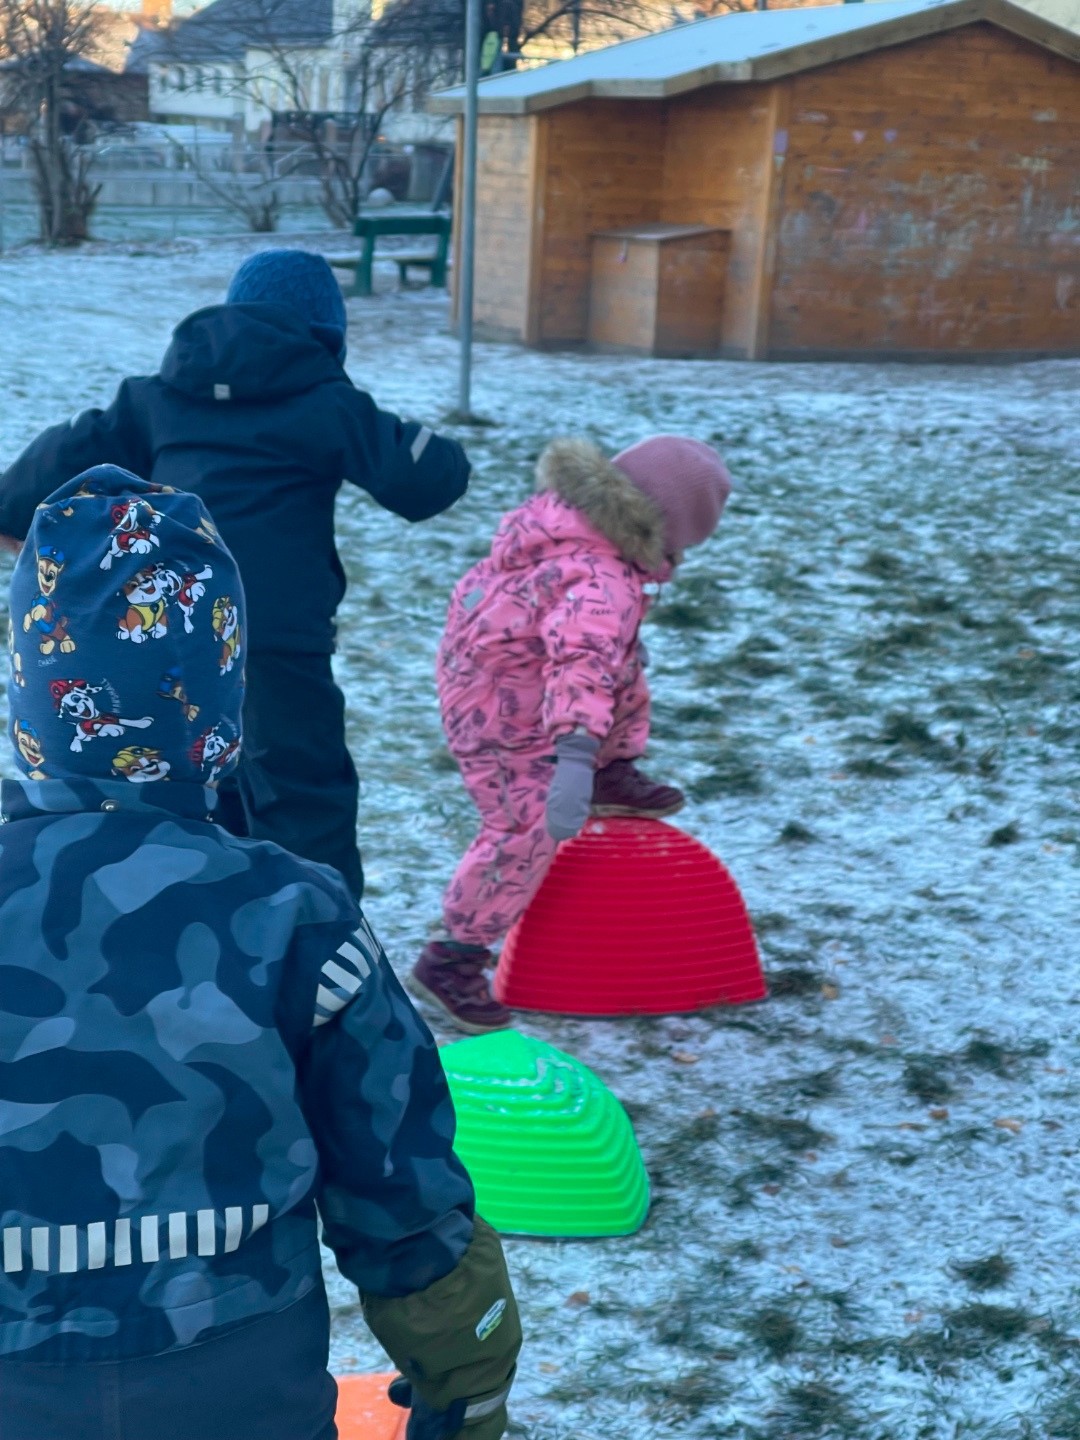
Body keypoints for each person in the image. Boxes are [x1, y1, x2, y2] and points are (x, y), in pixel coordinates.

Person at [0, 467, 520, 1440]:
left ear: (31, 701)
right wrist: (469, 1382)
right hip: (238, 1385)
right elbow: (402, 1196)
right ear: (220, 709)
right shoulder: (295, 914)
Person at [0, 249, 470, 900]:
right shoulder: (327, 404)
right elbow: (431, 481)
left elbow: (27, 487)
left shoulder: (158, 399)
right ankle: (318, 942)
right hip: (278, 640)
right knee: (304, 797)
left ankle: (196, 928)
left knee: (188, 792)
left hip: (173, 637)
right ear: (325, 336)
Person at [410, 434, 733, 1034]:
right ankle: (452, 959)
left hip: (516, 673)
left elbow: (587, 652)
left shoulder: (575, 530)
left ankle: (614, 770)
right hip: (500, 713)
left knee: (621, 663)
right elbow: (579, 664)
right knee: (524, 825)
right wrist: (576, 756)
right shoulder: (601, 578)